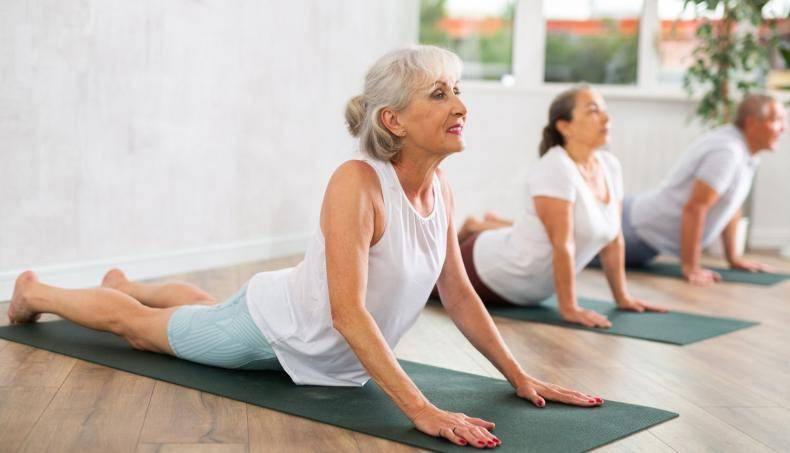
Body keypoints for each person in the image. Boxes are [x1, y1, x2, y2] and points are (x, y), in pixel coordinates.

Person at [7, 46, 602, 449]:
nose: (461, 106)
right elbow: (348, 313)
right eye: (440, 94)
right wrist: (422, 410)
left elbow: (458, 291)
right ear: (393, 120)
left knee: (203, 310)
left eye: (458, 92)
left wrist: (520, 375)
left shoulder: (438, 185)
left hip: (312, 341)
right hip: (272, 330)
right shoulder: (357, 183)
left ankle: (125, 282)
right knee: (141, 330)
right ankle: (37, 291)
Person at [457, 86, 666, 329]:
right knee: (415, 284)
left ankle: (478, 226)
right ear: (564, 126)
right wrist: (569, 308)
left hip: (533, 291)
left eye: (605, 111)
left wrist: (623, 298)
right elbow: (562, 243)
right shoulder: (556, 167)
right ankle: (468, 233)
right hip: (493, 270)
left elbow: (614, 240)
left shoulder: (610, 166)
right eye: (593, 111)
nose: (606, 119)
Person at [625, 94, 786, 285]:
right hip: (632, 228)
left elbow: (731, 204)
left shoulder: (744, 151)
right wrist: (691, 267)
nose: (783, 128)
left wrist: (734, 258)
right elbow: (695, 208)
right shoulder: (727, 152)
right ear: (751, 123)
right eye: (776, 120)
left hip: (642, 228)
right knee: (582, 257)